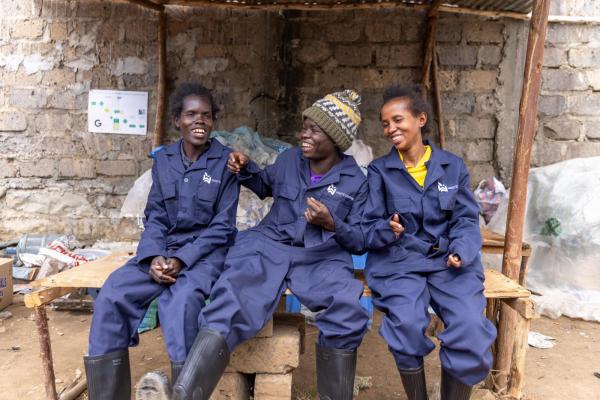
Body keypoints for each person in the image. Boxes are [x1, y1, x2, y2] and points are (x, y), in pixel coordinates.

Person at [167, 90, 370, 400]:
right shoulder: (290, 159)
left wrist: (332, 223)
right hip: (269, 244)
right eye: (304, 126)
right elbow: (264, 184)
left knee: (346, 309)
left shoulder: (355, 180)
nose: (303, 134)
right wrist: (246, 166)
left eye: (313, 129)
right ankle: (186, 393)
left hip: (322, 256)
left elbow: (359, 239)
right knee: (231, 294)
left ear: (334, 138)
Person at [84, 83, 240, 399]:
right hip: (162, 251)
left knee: (181, 304)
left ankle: (184, 393)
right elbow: (154, 217)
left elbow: (223, 227)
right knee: (113, 294)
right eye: (192, 114)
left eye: (207, 116)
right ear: (177, 121)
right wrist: (153, 256)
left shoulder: (226, 162)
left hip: (203, 254)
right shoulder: (165, 160)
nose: (200, 122)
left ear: (213, 121)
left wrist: (183, 259)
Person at [362, 84, 497, 400]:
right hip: (399, 263)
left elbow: (465, 219)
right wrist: (387, 229)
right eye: (385, 123)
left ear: (420, 119)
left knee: (469, 327)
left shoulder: (452, 166)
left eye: (397, 120)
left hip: (448, 261)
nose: (390, 129)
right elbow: (368, 224)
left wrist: (462, 251)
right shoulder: (380, 170)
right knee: (406, 324)